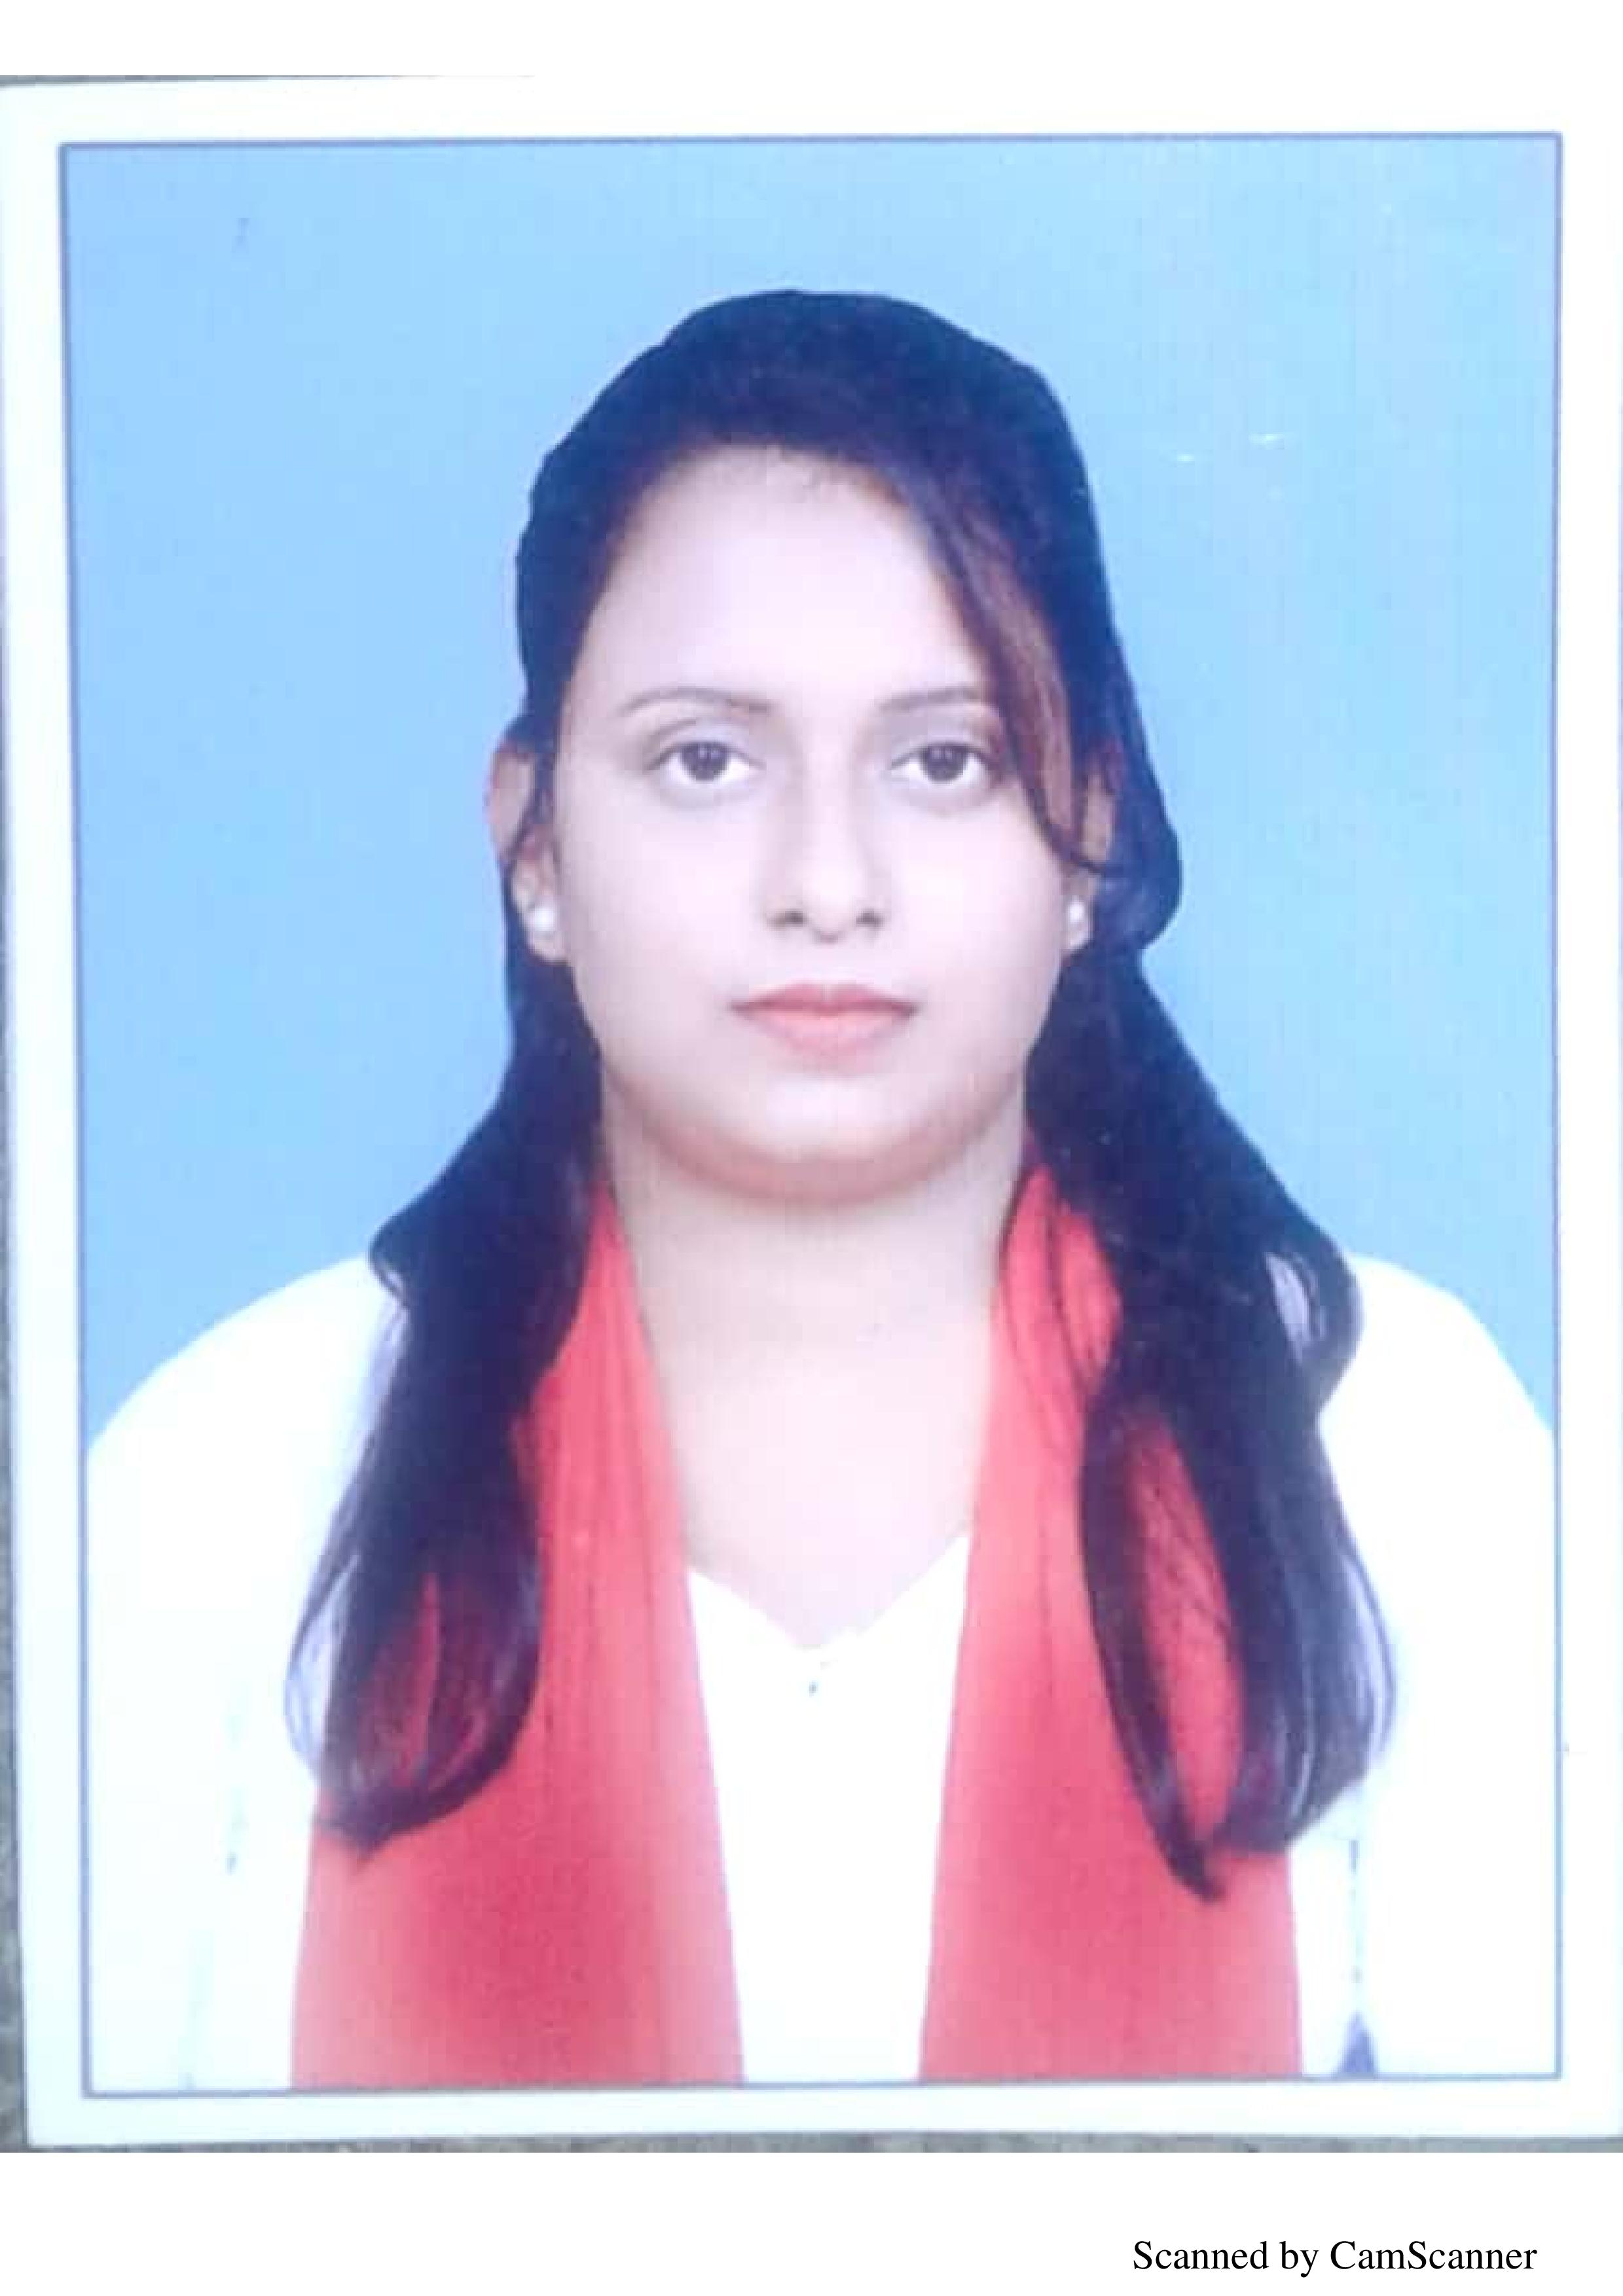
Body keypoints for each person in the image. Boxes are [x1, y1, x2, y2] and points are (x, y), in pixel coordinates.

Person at [88, 290, 1554, 2096]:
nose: (828, 880)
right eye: (706, 760)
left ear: (1088, 834)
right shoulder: (227, 1477)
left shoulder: (1388, 1442)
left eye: (946, 761)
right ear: (534, 844)